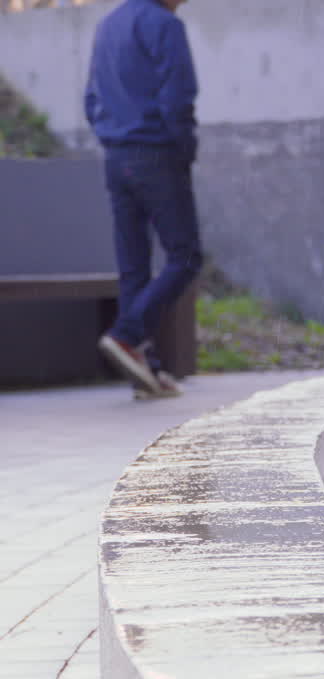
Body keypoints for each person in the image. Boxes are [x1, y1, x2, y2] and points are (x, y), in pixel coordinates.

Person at [84, 0, 201, 399]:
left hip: (117, 157)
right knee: (185, 256)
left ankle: (144, 370)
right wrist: (183, 150)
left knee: (133, 267)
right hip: (156, 153)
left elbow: (91, 98)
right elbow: (177, 95)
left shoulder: (108, 26)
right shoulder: (165, 25)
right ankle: (126, 336)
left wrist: (112, 138)